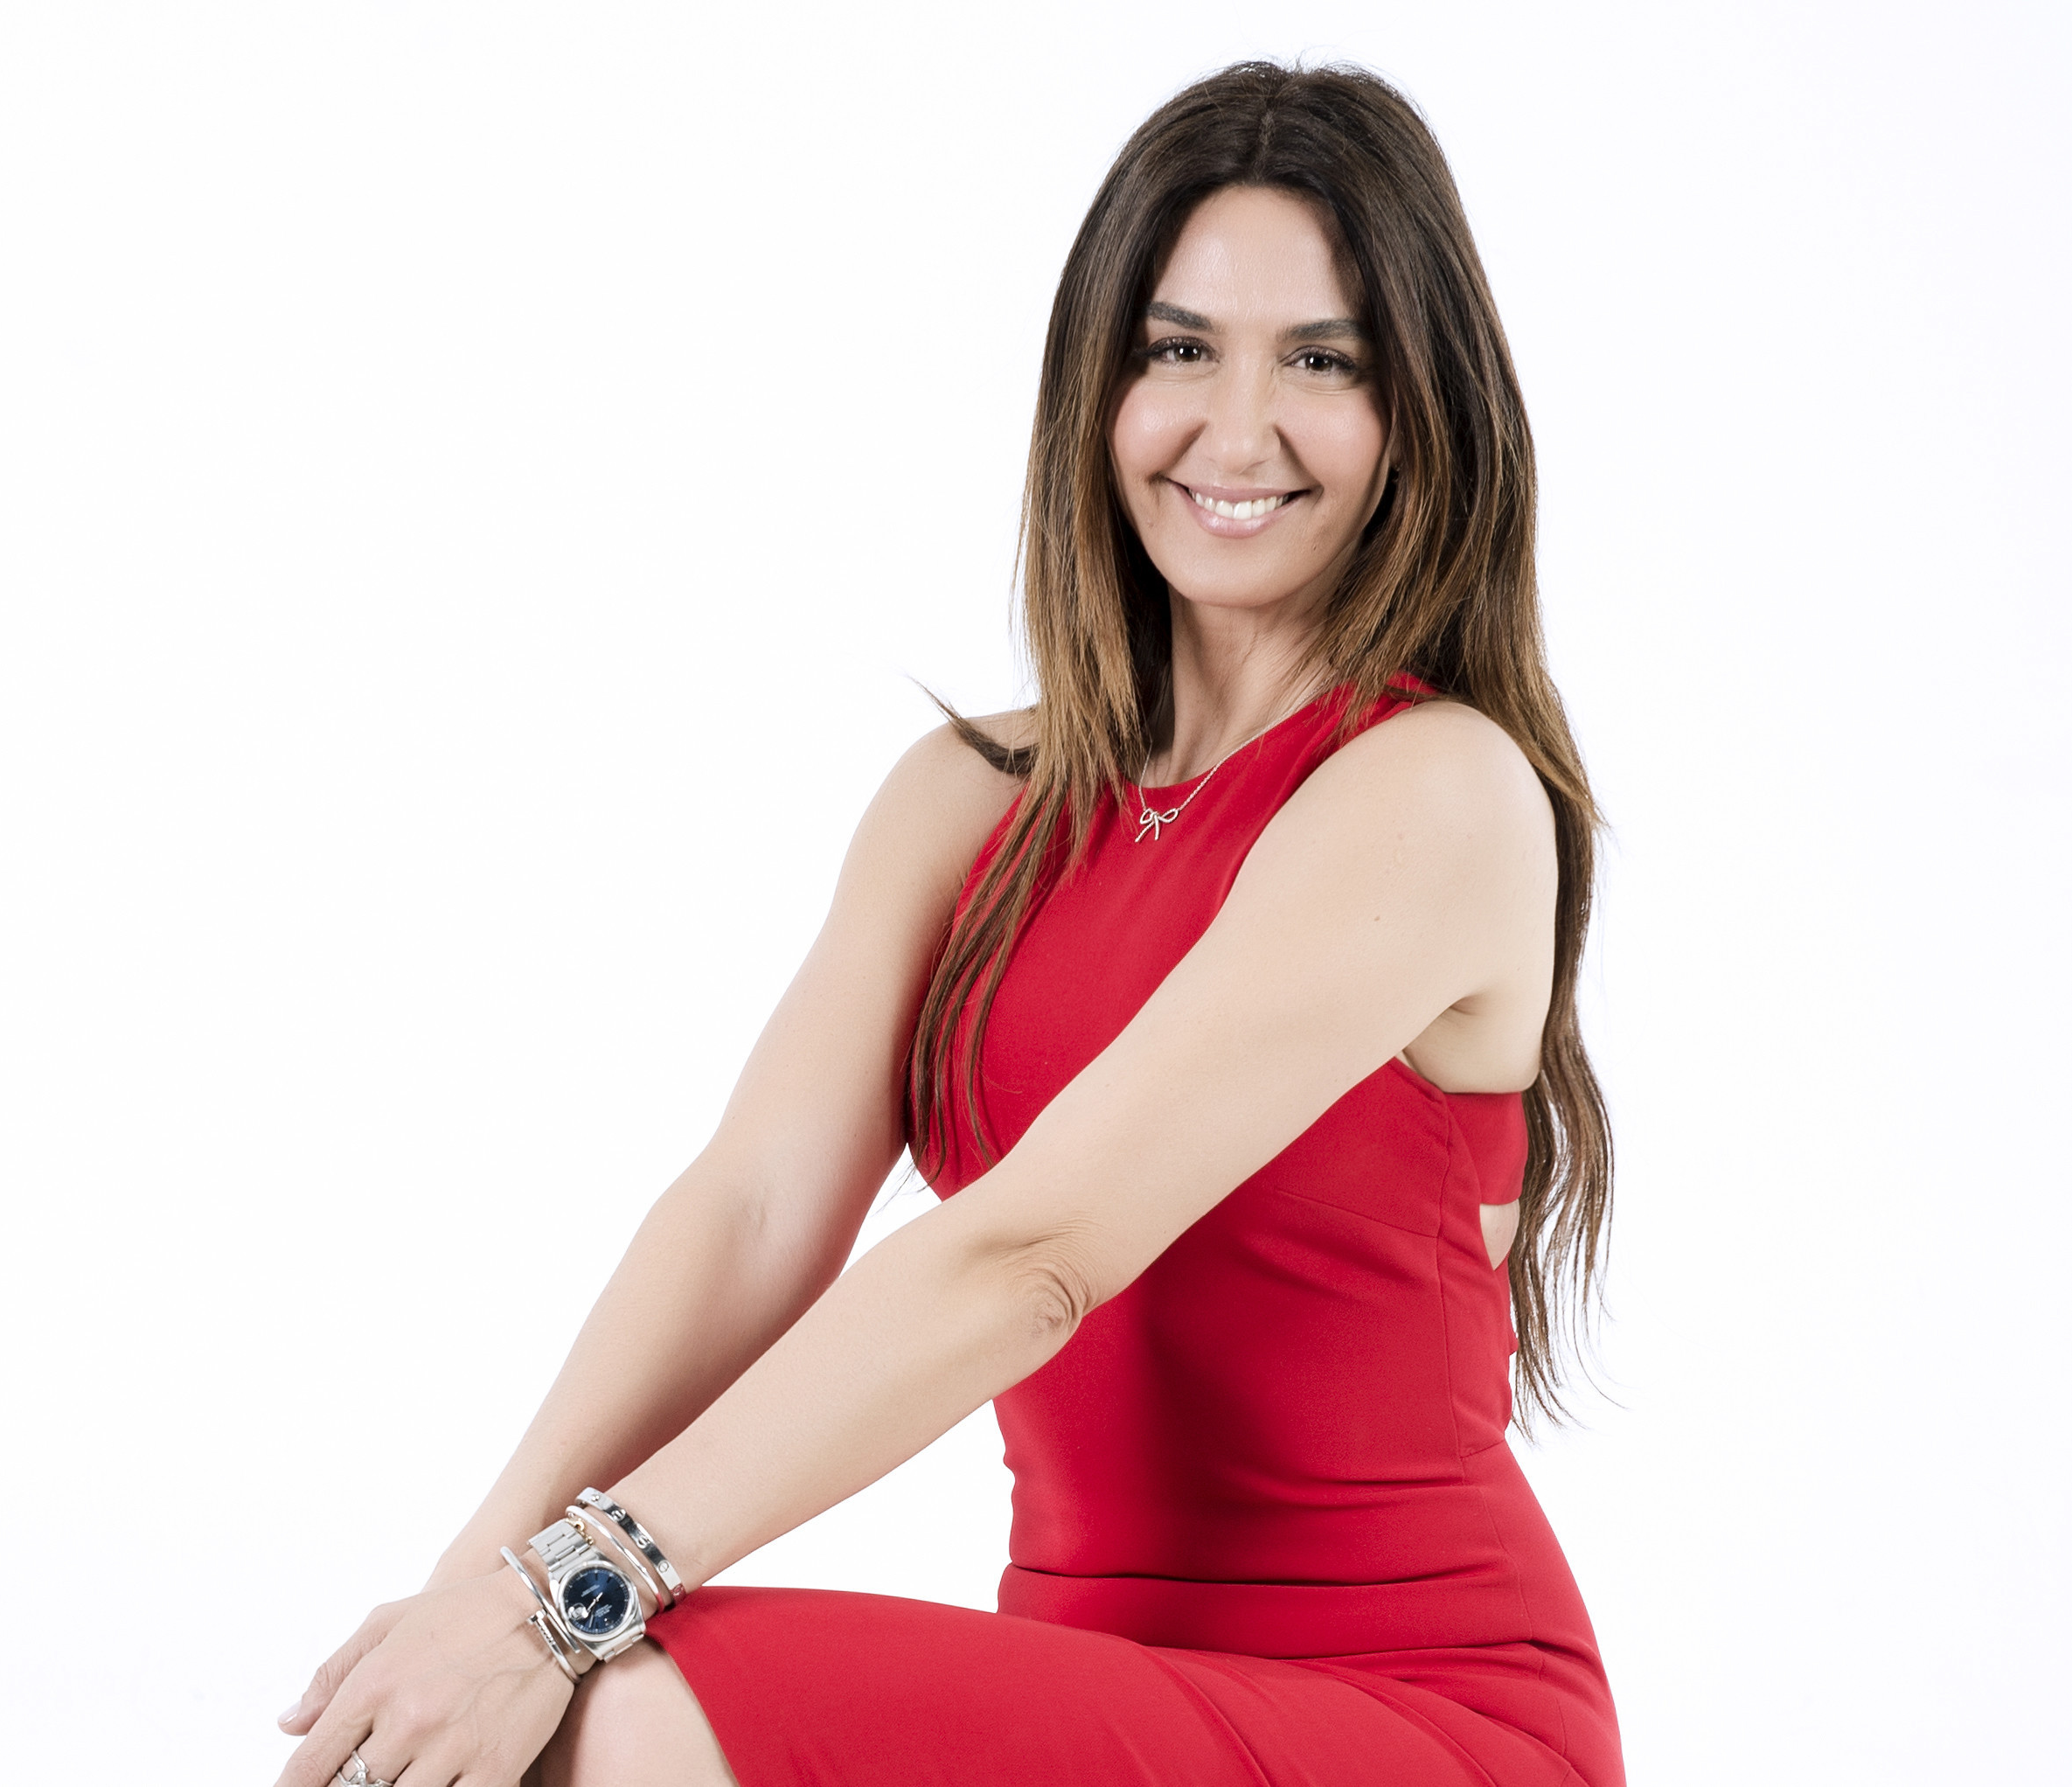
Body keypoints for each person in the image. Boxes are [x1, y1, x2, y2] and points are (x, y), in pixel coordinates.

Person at [272, 59, 1621, 1787]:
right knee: (491, 1720)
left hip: (1412, 1713)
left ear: (1420, 405)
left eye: (1321, 361)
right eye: (1179, 348)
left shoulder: (1432, 792)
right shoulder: (967, 800)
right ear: (1096, 382)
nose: (1235, 431)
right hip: (1091, 1689)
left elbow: (1031, 1253)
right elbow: (754, 1209)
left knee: (617, 1705)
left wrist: (571, 1599)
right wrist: (469, 1605)